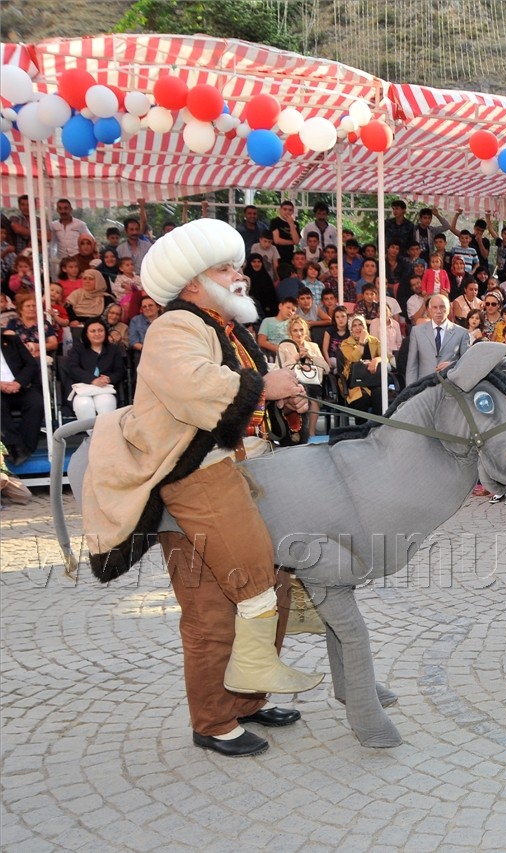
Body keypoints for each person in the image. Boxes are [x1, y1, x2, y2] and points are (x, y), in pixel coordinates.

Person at [78, 218, 320, 758]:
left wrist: (284, 399)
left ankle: (248, 699)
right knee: (227, 597)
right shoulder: (174, 328)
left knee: (270, 584)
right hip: (196, 474)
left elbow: (246, 399)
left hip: (238, 468)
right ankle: (212, 720)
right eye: (226, 268)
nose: (239, 276)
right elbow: (195, 388)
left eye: (236, 266)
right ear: (192, 283)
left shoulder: (222, 327)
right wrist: (264, 386)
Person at [277, 316, 329, 439]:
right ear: (290, 332)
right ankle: (296, 432)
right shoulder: (283, 347)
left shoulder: (313, 346)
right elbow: (278, 369)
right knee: (298, 392)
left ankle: (311, 432)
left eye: (301, 330)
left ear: (305, 331)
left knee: (313, 395)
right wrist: (294, 358)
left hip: (312, 382)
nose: (299, 333)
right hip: (292, 382)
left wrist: (311, 356)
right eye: (295, 330)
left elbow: (326, 368)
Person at [63, 318, 126, 420]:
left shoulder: (113, 349)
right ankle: (91, 435)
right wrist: (92, 380)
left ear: (105, 332)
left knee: (105, 403)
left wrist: (109, 378)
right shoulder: (77, 349)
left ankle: (103, 435)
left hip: (105, 388)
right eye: (93, 331)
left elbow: (120, 371)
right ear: (86, 334)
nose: (97, 334)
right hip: (82, 389)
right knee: (84, 404)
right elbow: (73, 368)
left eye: (100, 330)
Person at [402, 293, 470, 384]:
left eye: (442, 307)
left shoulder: (462, 333)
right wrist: (410, 392)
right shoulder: (417, 331)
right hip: (424, 387)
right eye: (435, 307)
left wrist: (452, 365)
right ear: (429, 310)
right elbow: (412, 366)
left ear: (449, 309)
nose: (438, 311)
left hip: (451, 387)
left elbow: (467, 362)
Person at [0, 326, 43, 467]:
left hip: (20, 386)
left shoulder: (11, 341)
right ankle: (15, 446)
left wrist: (18, 382)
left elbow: (31, 364)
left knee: (36, 403)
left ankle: (25, 448)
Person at [340, 314, 385, 417]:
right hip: (355, 383)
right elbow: (354, 359)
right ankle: (362, 429)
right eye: (354, 326)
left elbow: (385, 357)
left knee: (380, 393)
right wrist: (361, 342)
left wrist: (376, 360)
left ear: (364, 326)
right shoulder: (346, 343)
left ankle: (376, 426)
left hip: (373, 379)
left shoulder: (374, 341)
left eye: (360, 325)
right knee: (362, 398)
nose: (357, 328)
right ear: (350, 328)